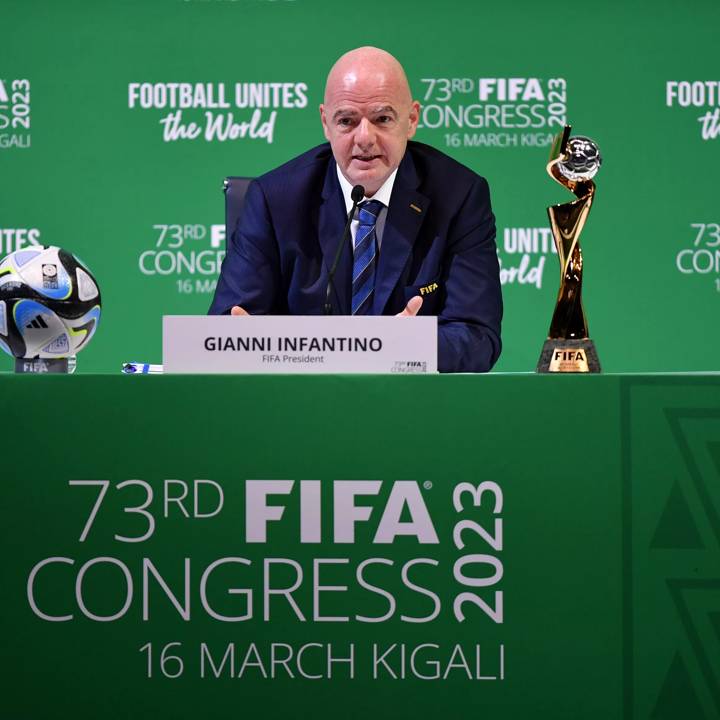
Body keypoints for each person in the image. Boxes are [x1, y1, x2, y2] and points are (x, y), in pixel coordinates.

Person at [209, 46, 502, 372]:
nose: (365, 138)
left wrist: (407, 347)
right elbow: (227, 329)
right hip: (299, 405)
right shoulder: (275, 199)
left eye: (382, 119)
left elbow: (478, 337)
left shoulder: (459, 196)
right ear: (325, 122)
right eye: (347, 121)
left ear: (412, 119)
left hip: (411, 407)